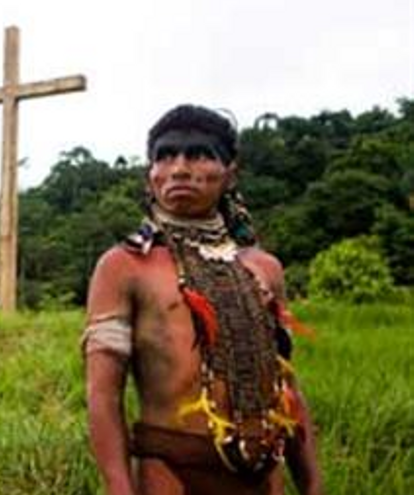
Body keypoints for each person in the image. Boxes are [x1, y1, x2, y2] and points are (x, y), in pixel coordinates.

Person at [82, 104, 323, 495]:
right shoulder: (125, 265)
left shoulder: (264, 268)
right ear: (151, 174)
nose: (179, 168)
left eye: (199, 154)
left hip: (263, 471)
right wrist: (119, 488)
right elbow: (103, 393)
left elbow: (286, 386)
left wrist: (312, 484)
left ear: (230, 174)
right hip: (171, 471)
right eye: (165, 156)